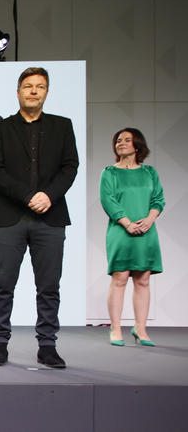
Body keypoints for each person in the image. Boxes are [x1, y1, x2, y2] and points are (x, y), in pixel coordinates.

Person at [0, 67, 79, 368]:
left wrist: (48, 195)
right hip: (10, 216)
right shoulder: (0, 129)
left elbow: (70, 167)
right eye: (28, 86)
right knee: (3, 283)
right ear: (18, 92)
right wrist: (28, 196)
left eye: (40, 86)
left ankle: (47, 345)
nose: (34, 91)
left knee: (49, 285)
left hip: (50, 217)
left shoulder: (63, 126)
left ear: (47, 92)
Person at [101, 128, 164, 347]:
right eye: (118, 140)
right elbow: (108, 200)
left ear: (137, 145)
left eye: (127, 140)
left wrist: (149, 219)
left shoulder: (149, 173)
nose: (121, 143)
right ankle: (116, 328)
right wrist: (126, 222)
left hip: (146, 229)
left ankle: (140, 328)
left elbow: (158, 199)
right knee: (119, 277)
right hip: (121, 229)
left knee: (143, 279)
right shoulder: (109, 172)